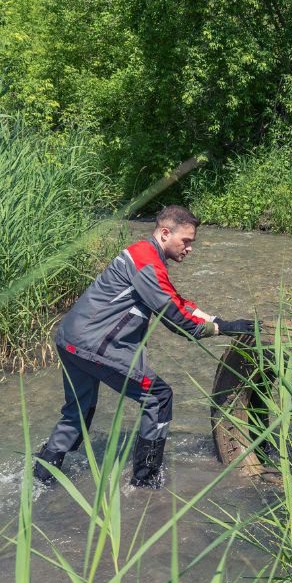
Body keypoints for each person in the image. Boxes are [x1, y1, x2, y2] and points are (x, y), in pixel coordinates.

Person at [33, 205, 257, 488]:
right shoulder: (146, 262)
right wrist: (220, 329)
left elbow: (175, 300)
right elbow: (176, 318)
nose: (189, 249)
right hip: (93, 345)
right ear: (165, 233)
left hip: (70, 340)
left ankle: (42, 477)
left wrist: (218, 320)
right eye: (186, 241)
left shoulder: (144, 256)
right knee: (158, 397)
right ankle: (145, 482)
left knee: (78, 409)